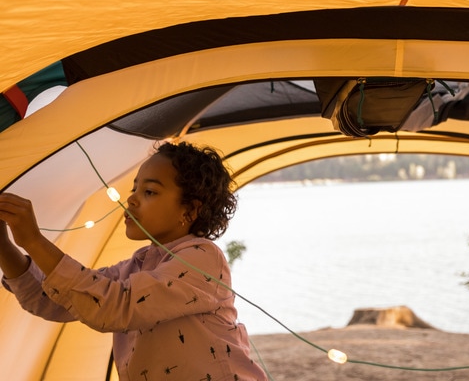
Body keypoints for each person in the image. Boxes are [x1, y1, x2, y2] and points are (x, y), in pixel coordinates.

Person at [0, 141, 269, 381]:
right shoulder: (138, 265)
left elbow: (115, 308)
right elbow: (54, 299)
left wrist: (34, 241)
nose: (131, 199)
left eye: (149, 191)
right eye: (135, 188)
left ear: (190, 209)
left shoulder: (202, 258)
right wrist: (4, 245)